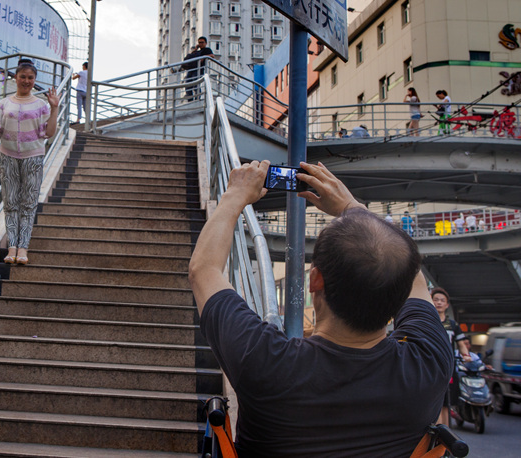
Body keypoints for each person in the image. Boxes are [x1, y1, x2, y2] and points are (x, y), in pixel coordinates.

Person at [188, 160, 452, 456]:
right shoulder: (429, 361)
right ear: (402, 296)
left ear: (314, 280)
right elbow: (410, 273)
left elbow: (205, 269)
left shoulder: (265, 362)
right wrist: (353, 207)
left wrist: (235, 195)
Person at [0, 60, 59, 265]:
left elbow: (49, 132)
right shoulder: (5, 103)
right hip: (8, 156)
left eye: (31, 78)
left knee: (28, 204)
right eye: (23, 77)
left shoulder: (40, 104)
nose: (26, 81)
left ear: (34, 80)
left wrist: (54, 107)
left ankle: (23, 249)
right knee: (11, 203)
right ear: (16, 78)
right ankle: (12, 247)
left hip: (33, 158)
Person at [430, 287, 471, 426]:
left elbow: (461, 343)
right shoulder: (427, 322)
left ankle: (445, 433)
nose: (439, 303)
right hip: (430, 364)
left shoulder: (453, 325)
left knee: (446, 402)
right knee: (430, 399)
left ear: (447, 305)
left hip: (448, 366)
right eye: (436, 300)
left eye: (442, 300)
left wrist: (466, 355)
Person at [180, 36, 214, 101]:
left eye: (202, 42)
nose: (200, 44)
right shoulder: (197, 51)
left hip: (199, 70)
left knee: (196, 84)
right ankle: (190, 99)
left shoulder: (207, 50)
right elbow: (191, 56)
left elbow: (212, 56)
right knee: (187, 84)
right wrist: (196, 49)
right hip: (191, 69)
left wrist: (204, 56)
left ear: (206, 43)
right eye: (199, 43)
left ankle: (197, 98)